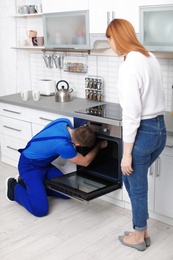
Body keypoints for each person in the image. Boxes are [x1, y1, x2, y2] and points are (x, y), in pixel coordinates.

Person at [106, 19, 166, 251]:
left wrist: (126, 154)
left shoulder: (129, 65)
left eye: (110, 38)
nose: (110, 43)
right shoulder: (149, 56)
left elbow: (131, 115)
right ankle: (143, 229)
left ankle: (139, 237)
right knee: (132, 180)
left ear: (117, 37)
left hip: (143, 131)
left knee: (136, 184)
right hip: (158, 130)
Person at [6, 118, 107, 217]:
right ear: (77, 144)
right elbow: (85, 162)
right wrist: (98, 146)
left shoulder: (63, 121)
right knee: (40, 210)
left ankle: (30, 185)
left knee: (68, 193)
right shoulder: (63, 146)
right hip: (29, 167)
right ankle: (13, 186)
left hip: (44, 165)